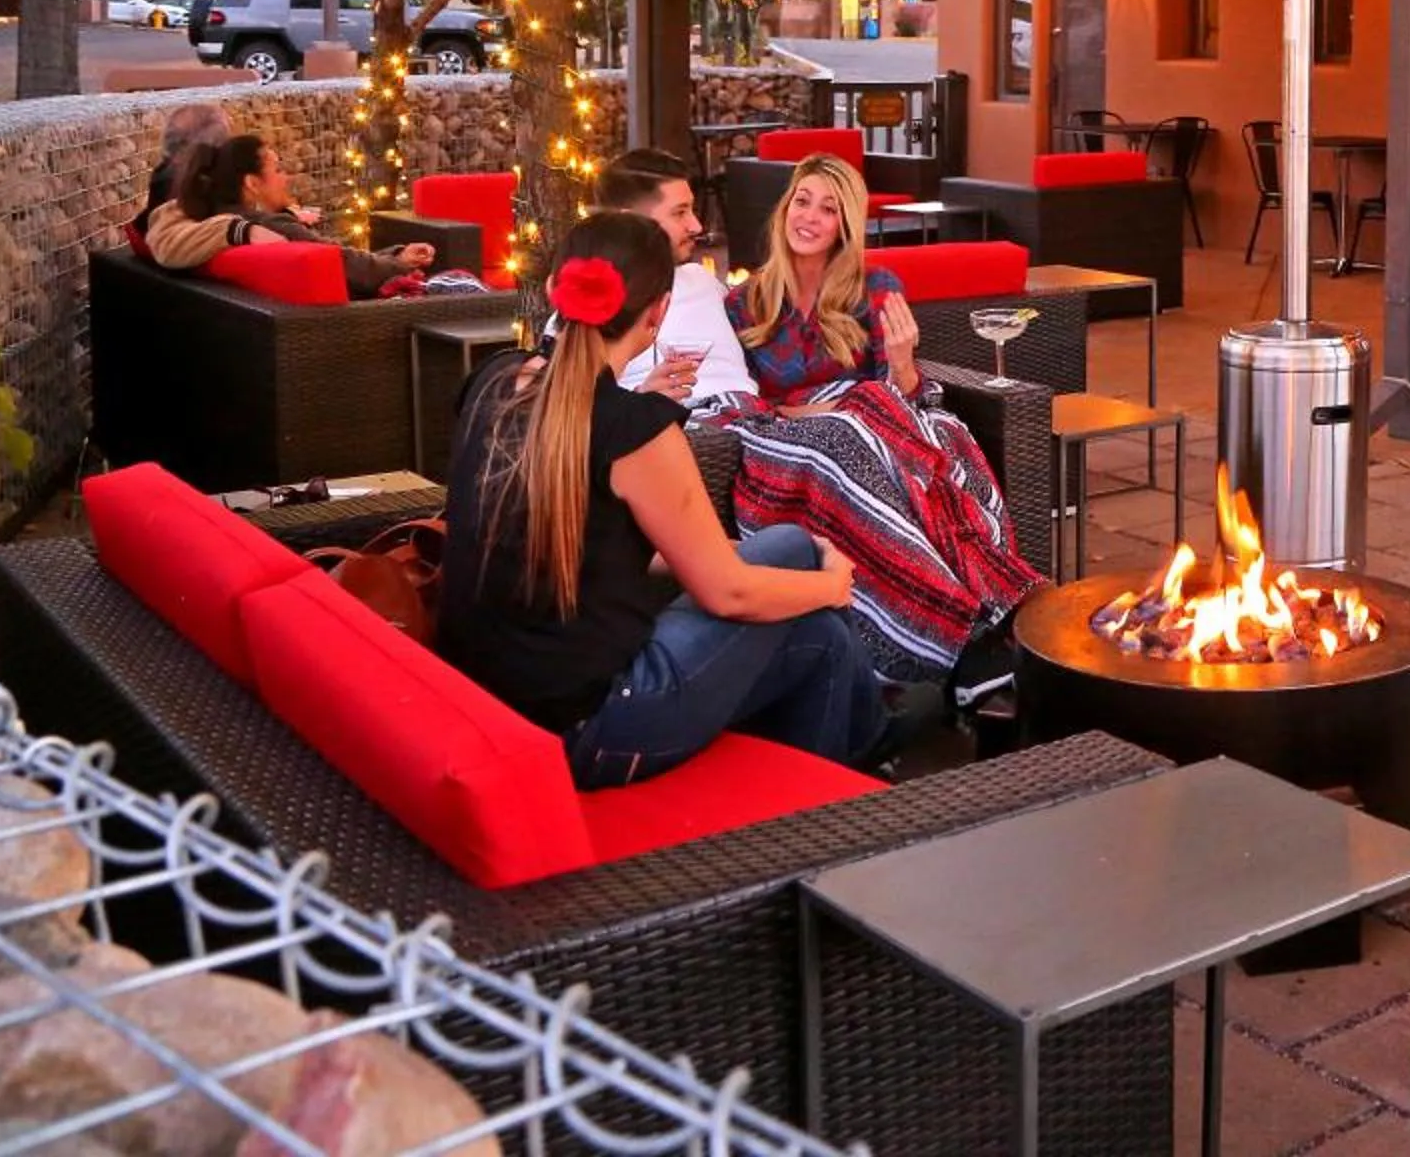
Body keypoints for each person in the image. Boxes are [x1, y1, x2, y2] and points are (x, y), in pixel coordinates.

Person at [434, 211, 887, 787]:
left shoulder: (494, 379)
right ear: (658, 313)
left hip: (489, 693)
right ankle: (854, 763)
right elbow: (728, 594)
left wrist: (714, 554)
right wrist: (834, 586)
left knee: (795, 564)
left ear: (552, 291)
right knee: (815, 610)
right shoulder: (635, 430)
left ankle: (844, 767)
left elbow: (580, 534)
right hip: (586, 726)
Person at [731, 154, 1041, 695]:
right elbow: (741, 400)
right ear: (784, 209)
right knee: (854, 432)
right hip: (804, 439)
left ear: (845, 225)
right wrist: (820, 411)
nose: (810, 217)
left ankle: (987, 612)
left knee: (936, 430)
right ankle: (970, 630)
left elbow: (904, 396)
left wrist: (901, 364)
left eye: (828, 209)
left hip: (885, 424)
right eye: (802, 201)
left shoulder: (874, 286)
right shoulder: (745, 302)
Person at [144, 134, 436, 297]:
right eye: (278, 169)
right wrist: (399, 262)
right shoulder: (271, 226)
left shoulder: (207, 221)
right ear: (252, 183)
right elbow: (345, 265)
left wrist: (394, 254)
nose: (287, 177)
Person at [593, 149, 754, 417]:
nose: (697, 226)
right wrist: (639, 401)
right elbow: (572, 406)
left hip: (750, 417)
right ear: (630, 222)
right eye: (680, 213)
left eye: (691, 210)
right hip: (668, 423)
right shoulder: (588, 301)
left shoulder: (701, 279)